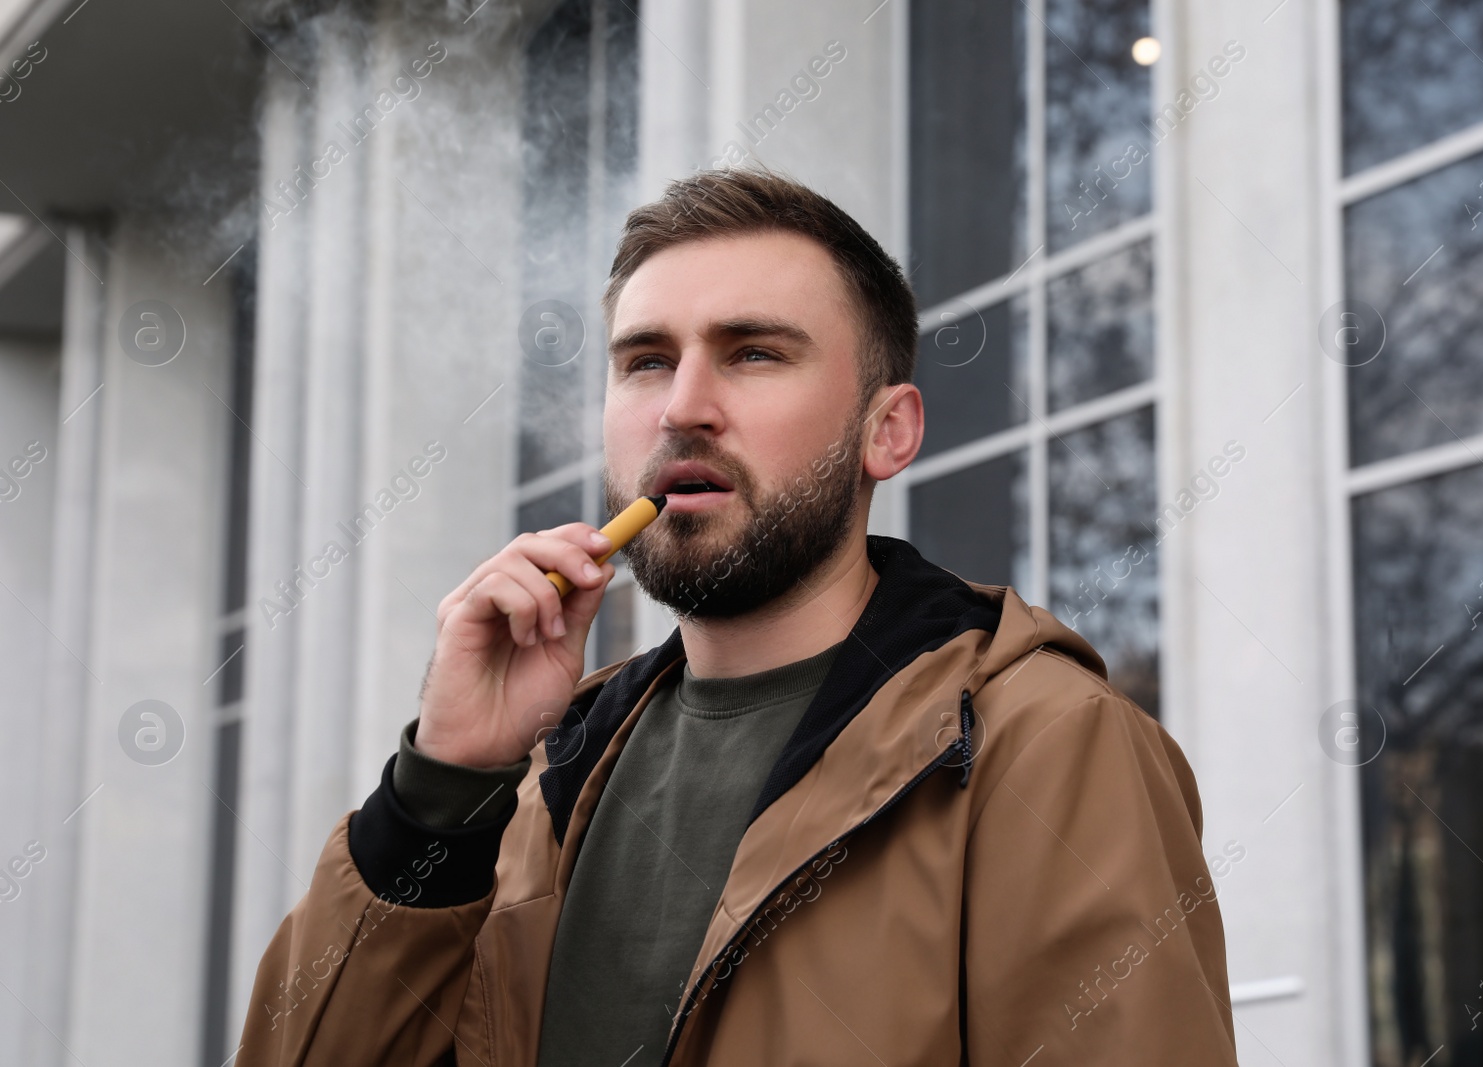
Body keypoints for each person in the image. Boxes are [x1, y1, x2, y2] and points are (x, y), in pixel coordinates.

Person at [238, 168, 1238, 1066]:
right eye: (643, 361)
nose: (683, 407)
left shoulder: (1044, 746)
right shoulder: (544, 775)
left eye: (753, 353)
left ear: (886, 431)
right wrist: (444, 781)